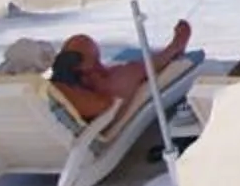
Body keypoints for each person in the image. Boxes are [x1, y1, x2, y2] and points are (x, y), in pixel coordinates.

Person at [39, 19, 193, 125]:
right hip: (98, 117)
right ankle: (174, 48)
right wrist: (99, 82)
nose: (99, 69)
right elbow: (104, 105)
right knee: (131, 71)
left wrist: (93, 74)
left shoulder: (44, 87)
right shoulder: (68, 92)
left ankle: (171, 50)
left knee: (118, 70)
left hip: (80, 96)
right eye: (95, 63)